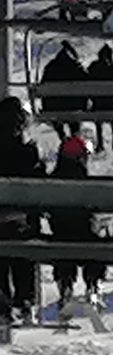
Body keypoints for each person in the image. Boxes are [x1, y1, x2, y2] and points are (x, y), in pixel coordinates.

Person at [44, 134, 105, 319]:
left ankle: (65, 285)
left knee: (63, 248)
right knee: (96, 245)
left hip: (60, 234)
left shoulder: (53, 180)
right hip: (84, 235)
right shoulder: (85, 181)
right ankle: (93, 285)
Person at [0, 97, 43, 326]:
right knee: (24, 258)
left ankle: (4, 305)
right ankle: (25, 301)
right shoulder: (26, 151)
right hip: (21, 218)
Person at [35, 41, 85, 139]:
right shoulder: (76, 67)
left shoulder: (50, 67)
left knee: (57, 107)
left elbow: (43, 86)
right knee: (74, 113)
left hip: (53, 108)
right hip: (74, 107)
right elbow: (87, 82)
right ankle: (75, 136)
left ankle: (62, 136)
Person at [86, 45, 113, 154]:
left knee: (98, 117)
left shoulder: (93, 66)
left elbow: (87, 84)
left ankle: (100, 145)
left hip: (98, 104)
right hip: (112, 104)